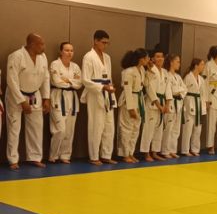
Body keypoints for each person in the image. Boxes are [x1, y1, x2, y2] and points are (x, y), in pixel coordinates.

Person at [5, 33, 50, 170]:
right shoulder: (16, 56)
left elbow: (46, 77)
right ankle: (13, 159)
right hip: (16, 95)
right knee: (14, 128)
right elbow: (11, 80)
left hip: (34, 94)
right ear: (32, 44)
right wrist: (21, 101)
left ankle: (35, 157)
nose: (44, 46)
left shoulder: (43, 57)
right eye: (41, 44)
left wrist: (46, 97)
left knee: (36, 127)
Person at [81, 30, 117, 165]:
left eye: (107, 43)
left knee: (109, 125)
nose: (105, 45)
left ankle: (106, 155)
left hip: (108, 92)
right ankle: (94, 156)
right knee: (96, 125)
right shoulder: (88, 57)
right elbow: (85, 80)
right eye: (103, 42)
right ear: (95, 41)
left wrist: (110, 87)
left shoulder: (107, 57)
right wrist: (102, 87)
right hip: (95, 93)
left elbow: (109, 77)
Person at [48, 42, 82, 163]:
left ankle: (65, 155)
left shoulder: (75, 66)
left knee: (69, 130)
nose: (69, 53)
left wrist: (68, 81)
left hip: (72, 99)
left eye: (71, 50)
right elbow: (56, 81)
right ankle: (53, 155)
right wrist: (72, 82)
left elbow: (80, 83)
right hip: (58, 98)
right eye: (67, 50)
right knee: (60, 130)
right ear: (60, 51)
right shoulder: (55, 64)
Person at [117, 48, 149, 163]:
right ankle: (125, 154)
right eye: (147, 58)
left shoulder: (142, 70)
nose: (148, 60)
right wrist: (131, 108)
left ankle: (131, 153)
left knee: (136, 129)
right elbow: (127, 90)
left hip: (139, 99)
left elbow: (145, 84)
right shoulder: (128, 72)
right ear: (141, 59)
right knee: (127, 128)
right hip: (129, 100)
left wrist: (151, 70)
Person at [140, 50, 169, 162]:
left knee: (159, 129)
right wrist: (158, 105)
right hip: (152, 103)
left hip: (162, 102)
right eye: (157, 56)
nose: (160, 58)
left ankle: (155, 152)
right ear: (152, 59)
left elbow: (168, 89)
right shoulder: (149, 71)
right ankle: (146, 152)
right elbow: (150, 90)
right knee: (149, 128)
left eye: (162, 56)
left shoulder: (165, 72)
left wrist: (167, 104)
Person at [161, 54, 187, 159]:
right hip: (170, 103)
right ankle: (165, 151)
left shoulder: (178, 77)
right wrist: (178, 91)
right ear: (171, 62)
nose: (179, 64)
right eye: (177, 61)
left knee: (176, 129)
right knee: (168, 128)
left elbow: (185, 89)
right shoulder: (166, 75)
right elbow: (170, 90)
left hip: (179, 104)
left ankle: (172, 150)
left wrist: (179, 92)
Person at [181, 58, 207, 157]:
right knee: (188, 129)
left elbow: (203, 94)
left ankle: (195, 149)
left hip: (199, 104)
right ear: (196, 66)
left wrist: (204, 105)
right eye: (202, 64)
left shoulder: (201, 79)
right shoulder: (188, 77)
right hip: (189, 104)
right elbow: (183, 92)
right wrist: (184, 106)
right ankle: (185, 150)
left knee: (197, 129)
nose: (203, 66)